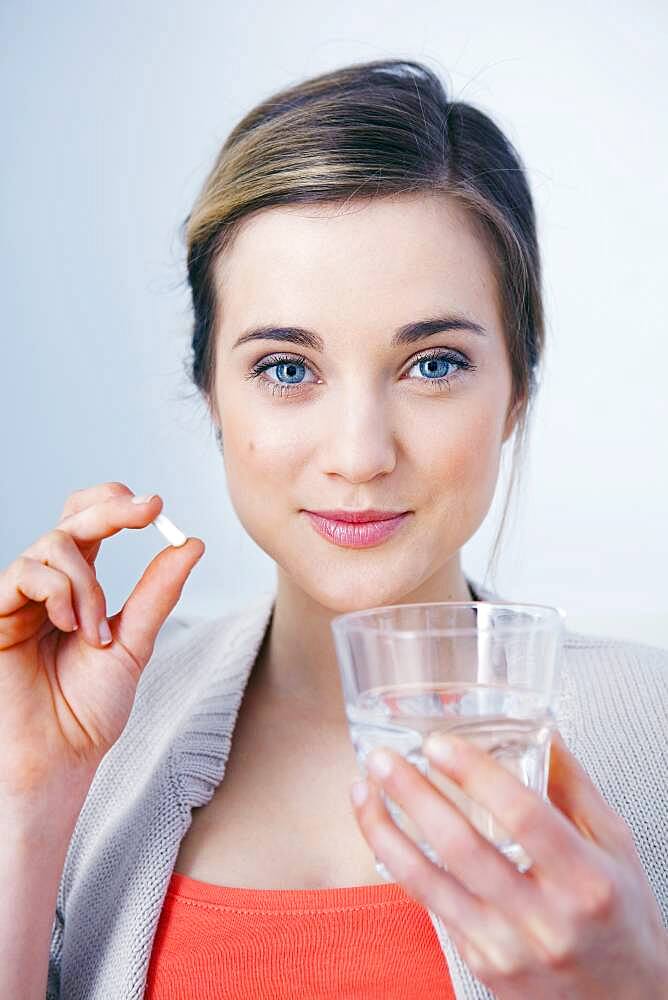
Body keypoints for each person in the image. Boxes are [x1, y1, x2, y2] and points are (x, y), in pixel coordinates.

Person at [1, 59, 666, 1000]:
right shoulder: (102, 732)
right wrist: (28, 799)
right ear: (212, 396)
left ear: (517, 387)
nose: (359, 454)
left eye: (433, 364)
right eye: (285, 368)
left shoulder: (657, 736)